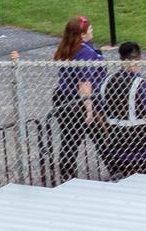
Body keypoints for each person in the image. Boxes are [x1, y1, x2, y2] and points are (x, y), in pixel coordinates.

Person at [50, 16, 104, 183]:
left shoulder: (69, 48)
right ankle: (116, 167)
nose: (92, 30)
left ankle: (66, 173)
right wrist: (89, 109)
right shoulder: (85, 52)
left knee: (70, 138)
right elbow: (84, 84)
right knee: (100, 135)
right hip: (78, 101)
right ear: (82, 34)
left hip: (62, 97)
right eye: (89, 29)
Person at [101, 41, 146, 180]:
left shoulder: (107, 82)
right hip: (140, 149)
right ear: (139, 58)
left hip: (114, 147)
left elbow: (101, 114)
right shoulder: (143, 86)